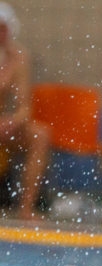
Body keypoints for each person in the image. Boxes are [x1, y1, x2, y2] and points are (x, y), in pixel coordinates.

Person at [0, 2, 50, 220]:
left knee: (40, 135)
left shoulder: (19, 58)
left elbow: (24, 105)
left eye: (3, 28)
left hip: (4, 126)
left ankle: (26, 208)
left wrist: (14, 121)